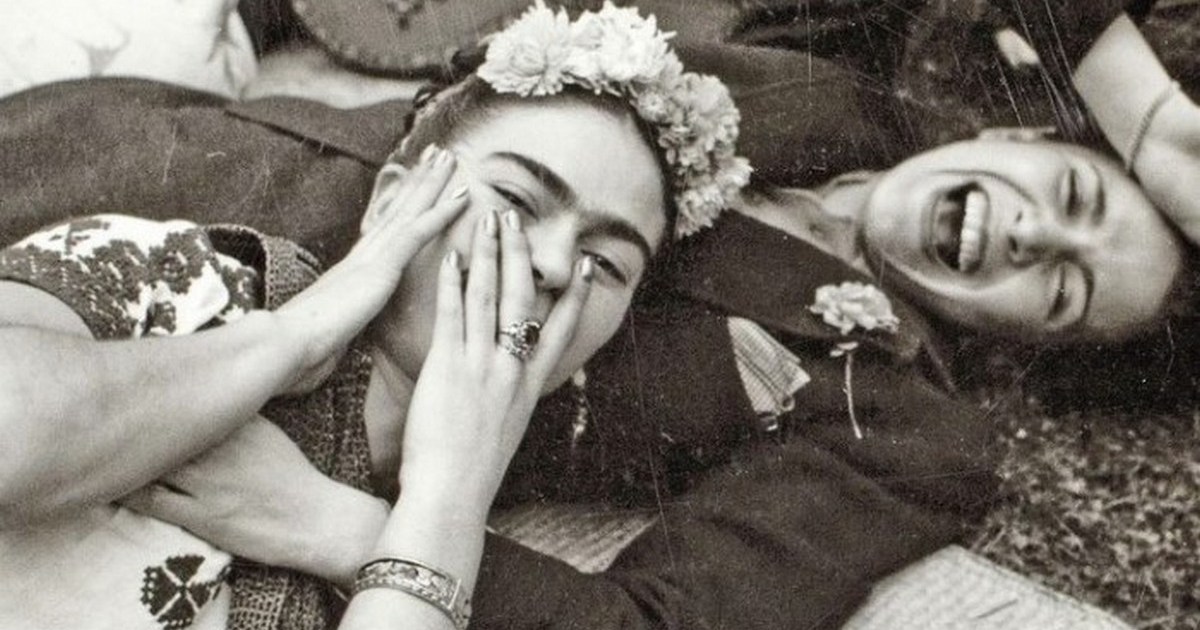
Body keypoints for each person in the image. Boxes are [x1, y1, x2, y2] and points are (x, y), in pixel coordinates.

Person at [0, 2, 1188, 630]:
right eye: (1076, 196)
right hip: (151, 176)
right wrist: (1157, 128)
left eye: (1065, 292)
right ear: (1024, 130)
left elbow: (663, 624)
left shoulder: (909, 430)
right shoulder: (835, 78)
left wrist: (348, 531)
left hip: (268, 414)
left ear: (1026, 348)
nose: (1035, 236)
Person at [0, 3, 752, 629]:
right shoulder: (189, 280)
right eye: (518, 200)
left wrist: (442, 501)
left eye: (605, 265)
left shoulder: (448, 549)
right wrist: (290, 340)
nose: (555, 266)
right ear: (394, 199)